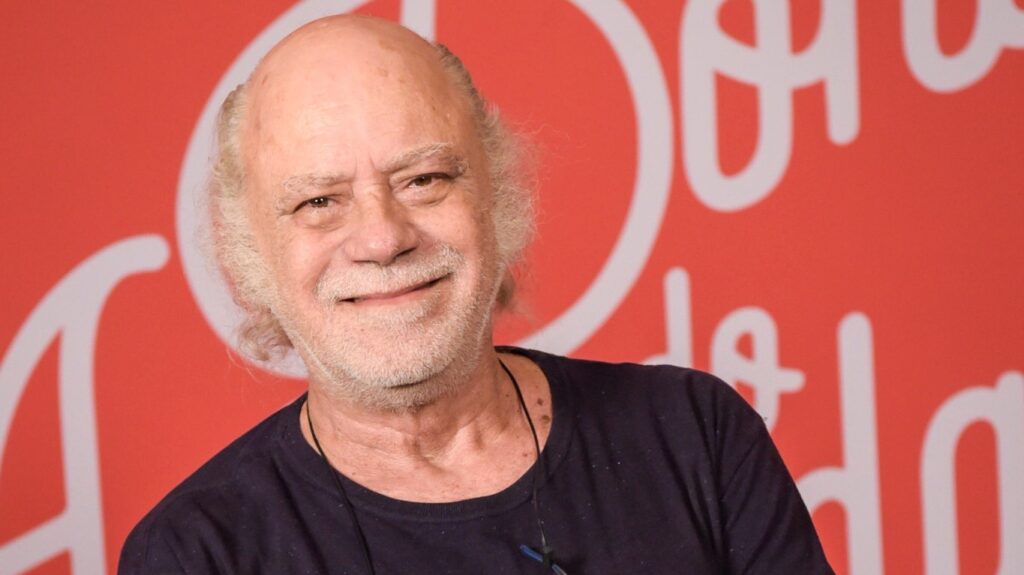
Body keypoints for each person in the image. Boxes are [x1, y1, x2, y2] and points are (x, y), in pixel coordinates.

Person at [119, 14, 833, 574]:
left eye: (424, 179)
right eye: (319, 202)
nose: (383, 237)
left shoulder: (694, 436)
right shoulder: (194, 553)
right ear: (250, 255)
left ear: (498, 195)